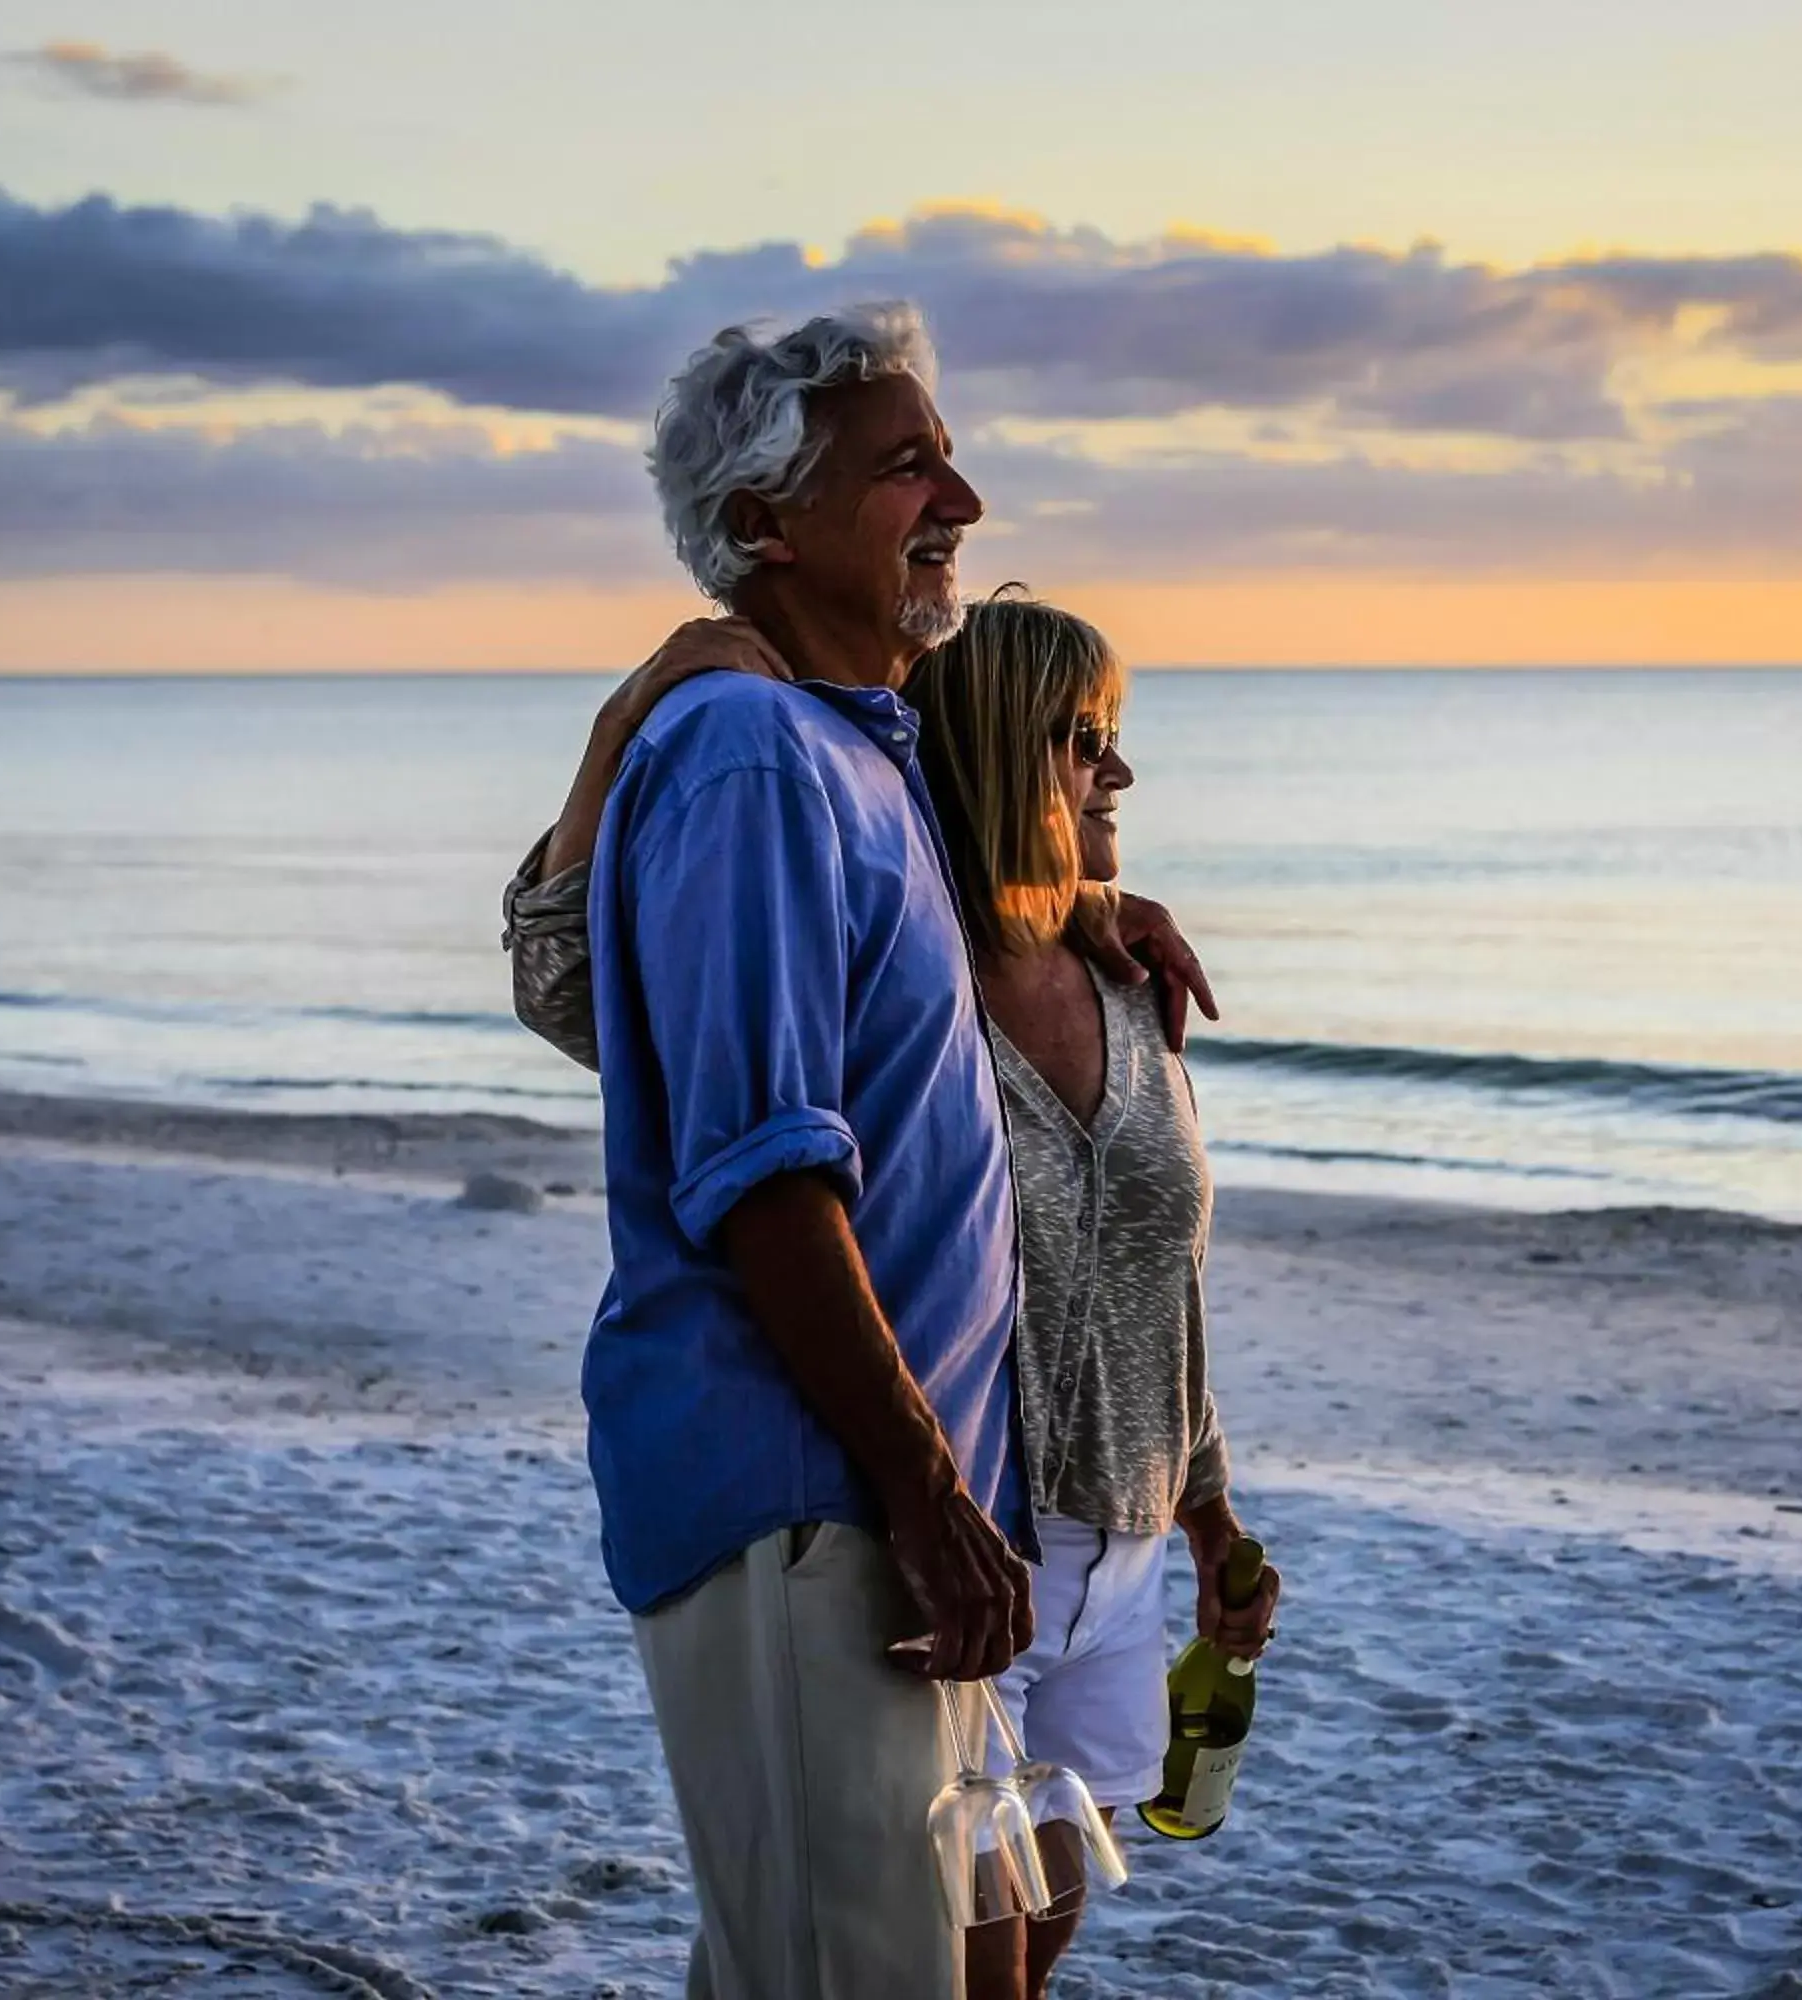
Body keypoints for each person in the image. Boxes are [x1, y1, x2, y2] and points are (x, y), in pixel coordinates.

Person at [511, 589, 1281, 2000]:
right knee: (900, 1957)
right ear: (993, 749)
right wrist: (623, 723)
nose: (1118, 772)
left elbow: (1152, 1282)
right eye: (1085, 737)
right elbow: (580, 986)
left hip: (1121, 1548)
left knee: (1018, 1948)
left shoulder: (1123, 984)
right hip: (965, 1527)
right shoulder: (896, 977)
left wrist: (1212, 1515)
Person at [552, 300, 1033, 2000]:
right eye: (907, 466)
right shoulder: (750, 756)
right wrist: (921, 1487)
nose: (961, 502)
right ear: (764, 525)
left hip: (880, 1514)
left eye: (950, 456)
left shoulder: (845, 751)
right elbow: (762, 1173)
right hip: (815, 1506)